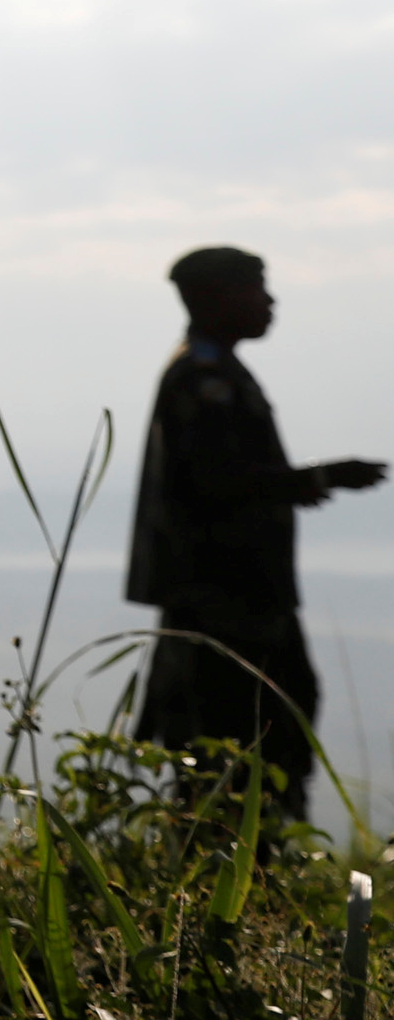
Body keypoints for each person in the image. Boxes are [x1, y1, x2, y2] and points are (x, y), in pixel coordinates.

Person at [124, 246, 385, 821]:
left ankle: (249, 873)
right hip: (225, 602)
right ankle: (229, 878)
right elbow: (217, 480)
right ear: (214, 298)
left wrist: (303, 482)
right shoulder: (203, 377)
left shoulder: (215, 370)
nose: (270, 301)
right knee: (236, 742)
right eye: (256, 288)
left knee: (270, 726)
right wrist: (318, 477)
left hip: (244, 597)